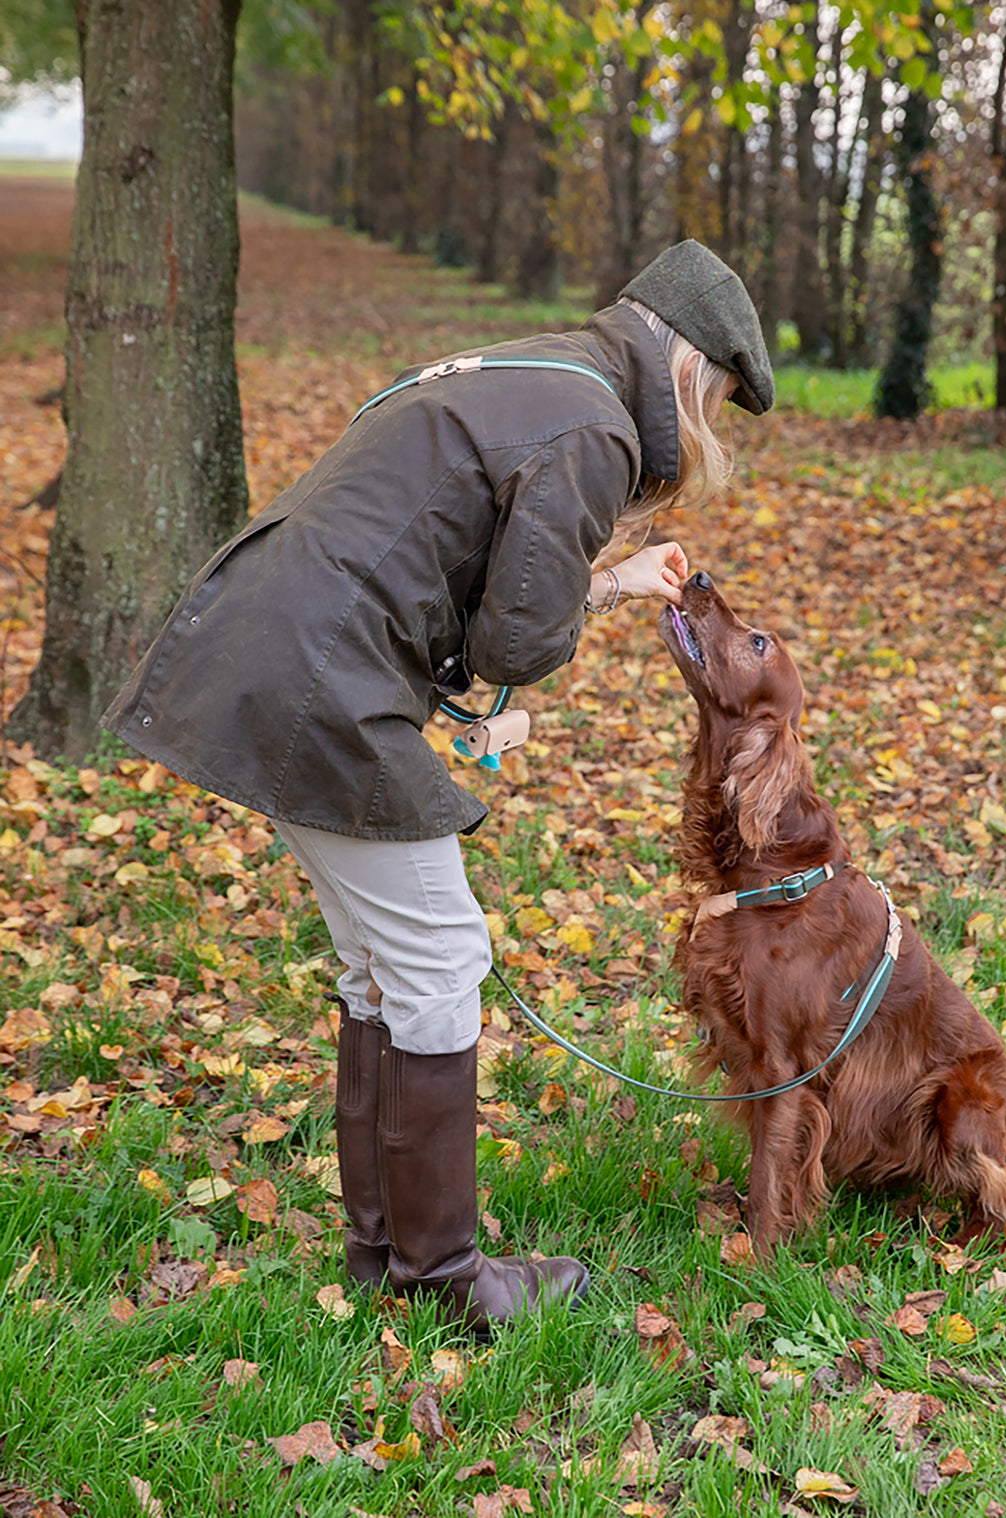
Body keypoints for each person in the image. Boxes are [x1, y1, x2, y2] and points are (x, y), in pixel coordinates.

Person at [102, 239, 774, 1334]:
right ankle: (441, 1274)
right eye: (722, 398)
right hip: (320, 672)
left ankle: (385, 1254)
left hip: (280, 642)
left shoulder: (539, 368)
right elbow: (511, 634)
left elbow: (463, 575)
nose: (709, 426)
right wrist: (544, 642)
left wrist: (601, 583)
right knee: (437, 953)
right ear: (691, 366)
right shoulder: (596, 427)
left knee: (385, 957)